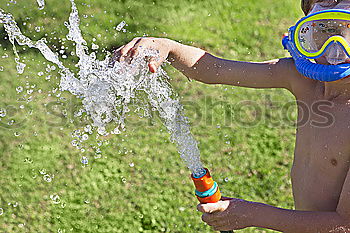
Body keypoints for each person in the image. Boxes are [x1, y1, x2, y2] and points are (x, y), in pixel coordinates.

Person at [115, 0, 350, 232]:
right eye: (326, 30)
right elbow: (214, 69)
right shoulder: (303, 79)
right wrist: (168, 47)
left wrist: (252, 214)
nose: (337, 51)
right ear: (304, 35)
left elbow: (344, 224)